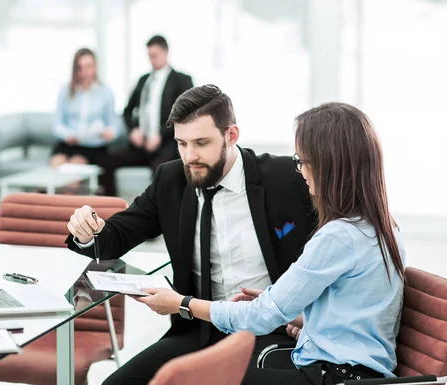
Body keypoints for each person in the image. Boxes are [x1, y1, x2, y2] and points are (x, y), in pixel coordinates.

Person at [136, 102, 406, 384]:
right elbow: (356, 314)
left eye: (302, 161)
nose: (300, 172)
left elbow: (259, 317)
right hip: (352, 371)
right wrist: (301, 319)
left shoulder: (338, 237)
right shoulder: (381, 226)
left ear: (328, 165)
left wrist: (183, 304)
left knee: (198, 377)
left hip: (333, 376)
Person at [66, 84, 317, 385]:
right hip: (198, 329)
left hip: (269, 331)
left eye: (201, 142)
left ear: (231, 135)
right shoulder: (170, 180)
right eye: (182, 144)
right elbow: (117, 235)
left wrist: (314, 319)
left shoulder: (285, 179)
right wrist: (88, 231)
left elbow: (337, 244)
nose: (190, 156)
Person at [100, 35, 194, 196]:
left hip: (166, 144)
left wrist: (160, 135)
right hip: (141, 145)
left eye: (155, 56)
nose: (152, 60)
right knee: (106, 161)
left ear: (166, 53)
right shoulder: (144, 80)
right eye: (149, 56)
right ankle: (111, 209)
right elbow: (127, 111)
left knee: (161, 170)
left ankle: (159, 215)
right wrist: (133, 131)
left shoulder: (181, 81)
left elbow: (185, 114)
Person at [51, 48, 119, 167]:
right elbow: (57, 124)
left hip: (92, 147)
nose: (84, 72)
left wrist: (109, 133)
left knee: (75, 167)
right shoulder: (65, 92)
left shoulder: (105, 93)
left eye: (88, 66)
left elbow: (114, 125)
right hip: (68, 144)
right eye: (80, 67)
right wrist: (67, 135)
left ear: (95, 67)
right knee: (57, 164)